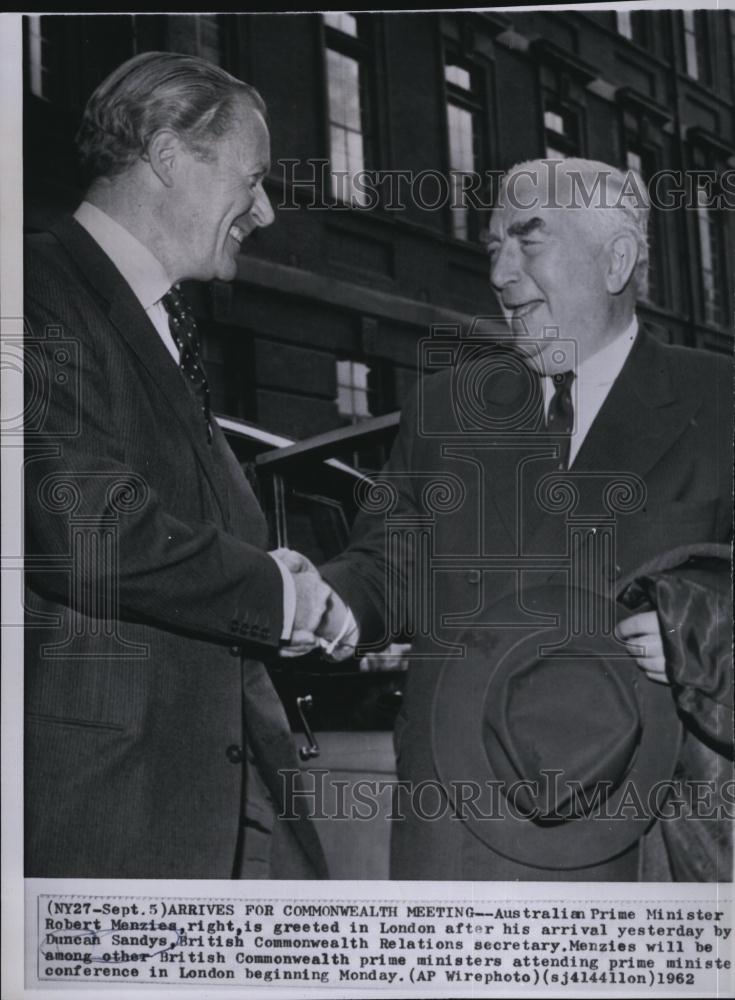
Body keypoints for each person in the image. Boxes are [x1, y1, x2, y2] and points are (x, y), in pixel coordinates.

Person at [300, 157, 732, 880]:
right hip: (458, 835)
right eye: (492, 248)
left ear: (615, 260)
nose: (499, 274)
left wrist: (700, 627)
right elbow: (386, 566)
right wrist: (314, 599)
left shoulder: (717, 402)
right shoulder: (445, 408)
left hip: (644, 841)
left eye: (527, 242)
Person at [24, 51, 330, 879]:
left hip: (207, 802)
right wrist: (278, 593)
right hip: (102, 819)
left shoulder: (162, 317)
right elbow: (82, 523)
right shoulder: (29, 287)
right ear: (167, 156)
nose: (263, 212)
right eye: (254, 179)